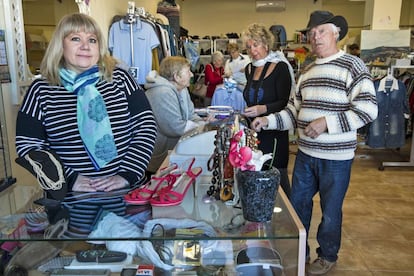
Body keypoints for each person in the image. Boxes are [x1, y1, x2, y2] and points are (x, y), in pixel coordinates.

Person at [251, 11, 378, 274]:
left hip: (336, 159)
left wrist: (326, 123)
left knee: (330, 211)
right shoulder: (308, 69)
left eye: (321, 31)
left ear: (336, 33)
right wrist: (268, 121)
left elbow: (368, 110)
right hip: (306, 155)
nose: (315, 36)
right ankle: (300, 253)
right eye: (311, 32)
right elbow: (293, 111)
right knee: (298, 208)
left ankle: (327, 255)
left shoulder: (353, 66)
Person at [15, 13, 157, 235]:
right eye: (75, 39)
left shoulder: (119, 79)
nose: (85, 46)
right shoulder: (41, 90)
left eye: (92, 40)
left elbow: (145, 125)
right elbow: (29, 147)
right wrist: (68, 177)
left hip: (127, 195)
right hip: (70, 202)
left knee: (126, 256)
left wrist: (127, 173)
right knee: (79, 257)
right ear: (60, 44)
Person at [241, 23, 296, 197]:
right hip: (254, 131)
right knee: (257, 174)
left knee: (276, 177)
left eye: (255, 45)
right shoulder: (249, 68)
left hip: (274, 132)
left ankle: (288, 219)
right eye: (249, 46)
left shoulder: (280, 67)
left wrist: (262, 109)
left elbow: (285, 103)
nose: (252, 50)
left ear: (266, 44)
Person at [144, 56, 206, 175]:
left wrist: (204, 125)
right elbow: (175, 127)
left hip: (174, 154)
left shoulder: (182, 89)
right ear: (176, 76)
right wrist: (202, 127)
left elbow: (191, 115)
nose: (192, 75)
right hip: (160, 161)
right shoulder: (161, 93)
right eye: (188, 71)